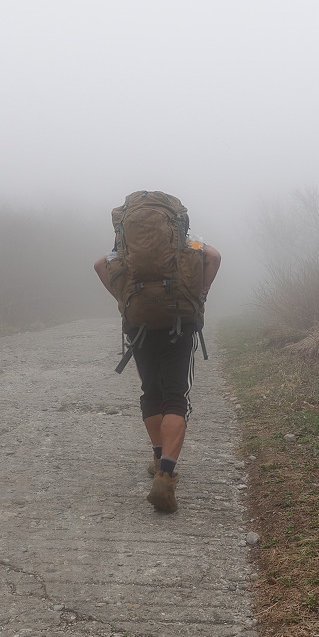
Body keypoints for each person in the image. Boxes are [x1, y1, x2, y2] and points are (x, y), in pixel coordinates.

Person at [93, 216, 221, 513]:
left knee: (151, 392)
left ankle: (157, 456)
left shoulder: (126, 246)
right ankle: (165, 474)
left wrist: (123, 301)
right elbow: (213, 257)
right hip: (180, 323)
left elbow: (100, 265)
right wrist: (201, 296)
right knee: (176, 397)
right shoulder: (186, 241)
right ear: (175, 221)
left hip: (139, 323)